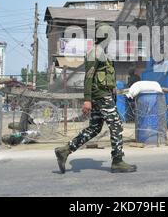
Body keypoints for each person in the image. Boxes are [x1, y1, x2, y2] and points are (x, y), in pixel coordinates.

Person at [54, 23, 137, 174]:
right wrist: (87, 100)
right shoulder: (95, 53)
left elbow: (106, 77)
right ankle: (117, 161)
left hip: (104, 95)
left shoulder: (103, 53)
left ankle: (65, 151)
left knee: (95, 128)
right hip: (100, 96)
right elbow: (89, 78)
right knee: (116, 125)